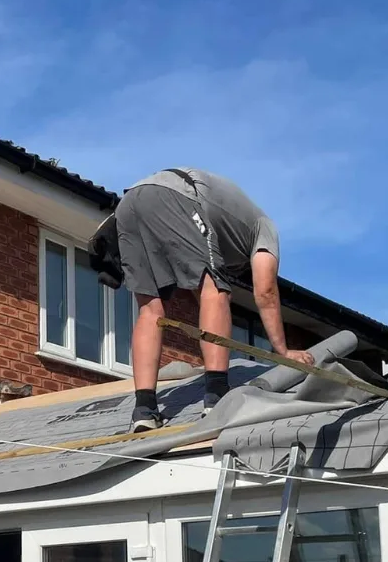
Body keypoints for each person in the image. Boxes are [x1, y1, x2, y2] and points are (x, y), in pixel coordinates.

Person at [92, 167, 315, 432]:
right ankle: (217, 397)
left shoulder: (226, 229)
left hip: (128, 206)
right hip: (178, 194)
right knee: (216, 287)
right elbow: (266, 290)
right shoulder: (265, 228)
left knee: (151, 310)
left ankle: (144, 410)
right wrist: (283, 350)